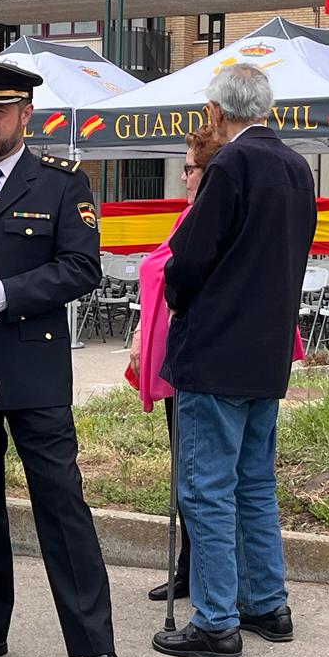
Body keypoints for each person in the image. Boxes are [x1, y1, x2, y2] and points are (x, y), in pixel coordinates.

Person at [0, 62, 123, 657]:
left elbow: (81, 265)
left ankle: (93, 644)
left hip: (34, 370)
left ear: (26, 116)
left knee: (61, 504)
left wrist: (8, 294)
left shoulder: (61, 183)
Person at [152, 64, 317, 657]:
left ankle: (216, 620)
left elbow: (191, 255)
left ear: (218, 113)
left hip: (217, 350)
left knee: (207, 488)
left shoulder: (228, 164)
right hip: (267, 351)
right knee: (254, 484)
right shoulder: (297, 168)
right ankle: (268, 604)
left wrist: (172, 284)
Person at [127, 124, 224, 604]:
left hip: (192, 356)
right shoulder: (190, 215)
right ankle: (191, 567)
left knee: (196, 474)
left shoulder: (205, 217)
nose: (184, 178)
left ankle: (201, 575)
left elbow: (174, 274)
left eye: (189, 168)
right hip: (176, 352)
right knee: (188, 469)